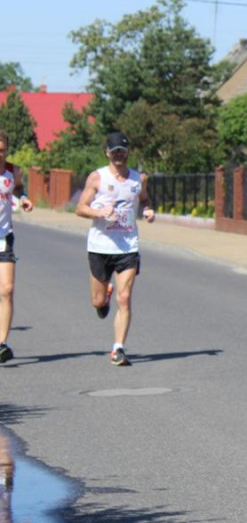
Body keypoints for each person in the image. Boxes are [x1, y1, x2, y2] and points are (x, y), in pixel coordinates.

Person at [74, 132, 156, 366]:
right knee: (98, 302)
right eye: (114, 151)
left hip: (127, 246)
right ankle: (104, 297)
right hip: (100, 246)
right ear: (107, 152)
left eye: (122, 150)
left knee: (126, 296)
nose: (119, 155)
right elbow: (80, 208)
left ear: (128, 152)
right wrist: (99, 212)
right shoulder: (97, 178)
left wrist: (148, 211)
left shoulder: (138, 179)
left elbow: (146, 200)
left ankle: (118, 348)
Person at [0, 130, 34, 364]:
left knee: (8, 289)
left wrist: (23, 198)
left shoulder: (12, 171)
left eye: (2, 149)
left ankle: (1, 344)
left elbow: (19, 188)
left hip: (4, 236)